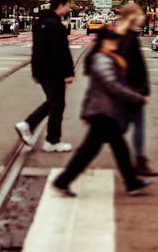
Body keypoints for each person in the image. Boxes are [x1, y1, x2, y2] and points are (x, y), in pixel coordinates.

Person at [52, 27, 150, 197]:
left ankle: (131, 182)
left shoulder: (109, 58)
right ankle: (62, 181)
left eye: (116, 39)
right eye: (111, 39)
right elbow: (113, 86)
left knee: (112, 150)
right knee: (94, 152)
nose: (115, 42)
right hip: (103, 113)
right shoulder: (102, 60)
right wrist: (137, 98)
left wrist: (85, 112)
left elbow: (92, 90)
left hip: (104, 112)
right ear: (102, 41)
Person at [15, 0, 75, 152]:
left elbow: (37, 50)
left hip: (42, 70)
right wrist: (68, 73)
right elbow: (61, 52)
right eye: (68, 5)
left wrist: (36, 71)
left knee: (53, 102)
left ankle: (29, 125)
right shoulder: (56, 26)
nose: (69, 8)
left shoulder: (40, 23)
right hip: (53, 72)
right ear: (61, 5)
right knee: (57, 104)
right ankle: (52, 140)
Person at [116, 3, 158, 177]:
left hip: (131, 91)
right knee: (134, 126)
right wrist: (138, 91)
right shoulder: (129, 38)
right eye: (140, 13)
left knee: (121, 127)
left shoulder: (127, 36)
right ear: (133, 17)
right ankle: (139, 161)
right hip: (133, 91)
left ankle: (138, 161)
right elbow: (127, 67)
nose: (143, 16)